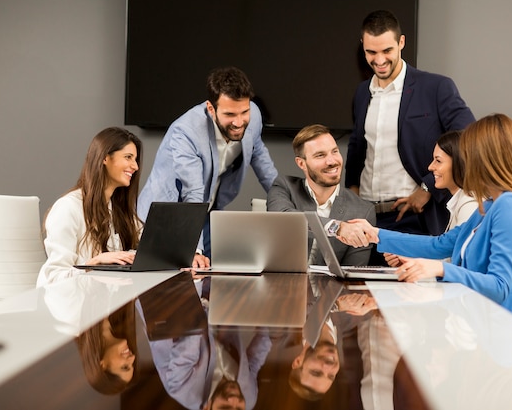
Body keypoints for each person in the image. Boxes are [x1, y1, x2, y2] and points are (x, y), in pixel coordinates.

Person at [345, 114, 512, 323]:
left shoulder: (509, 207)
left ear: (487, 159)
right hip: (476, 326)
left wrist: (440, 269)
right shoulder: (491, 206)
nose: (465, 163)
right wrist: (375, 234)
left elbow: (499, 286)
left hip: (502, 337)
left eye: (468, 155)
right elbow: (439, 245)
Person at [345, 9, 475, 264]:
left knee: (405, 300)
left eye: (387, 51)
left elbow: (469, 139)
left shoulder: (436, 87)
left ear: (401, 42)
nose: (379, 60)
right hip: (367, 217)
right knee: (359, 296)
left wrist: (427, 187)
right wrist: (352, 197)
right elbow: (358, 147)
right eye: (371, 52)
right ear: (363, 46)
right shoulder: (362, 92)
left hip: (414, 219)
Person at [137, 66, 278, 263]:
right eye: (230, 114)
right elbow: (193, 193)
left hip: (208, 213)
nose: (239, 122)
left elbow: (260, 156)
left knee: (213, 277)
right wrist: (194, 250)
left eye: (244, 111)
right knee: (167, 286)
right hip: (167, 218)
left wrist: (285, 199)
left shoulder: (253, 115)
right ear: (211, 109)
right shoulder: (187, 132)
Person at [37, 127, 145, 286]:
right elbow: (53, 277)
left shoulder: (118, 210)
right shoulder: (68, 208)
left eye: (135, 159)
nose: (135, 166)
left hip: (105, 304)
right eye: (128, 157)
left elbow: (152, 248)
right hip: (69, 306)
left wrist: (191, 254)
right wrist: (91, 266)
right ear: (105, 158)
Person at [267, 124, 375, 265]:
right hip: (282, 283)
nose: (332, 161)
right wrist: (337, 227)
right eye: (320, 155)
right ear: (301, 164)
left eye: (335, 152)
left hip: (330, 286)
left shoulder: (363, 210)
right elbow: (285, 218)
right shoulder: (284, 187)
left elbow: (353, 273)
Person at [385, 131, 478, 266]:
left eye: (438, 161)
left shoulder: (470, 204)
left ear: (459, 162)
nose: (430, 167)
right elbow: (449, 257)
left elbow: (458, 262)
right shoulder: (460, 201)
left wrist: (377, 235)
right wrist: (410, 261)